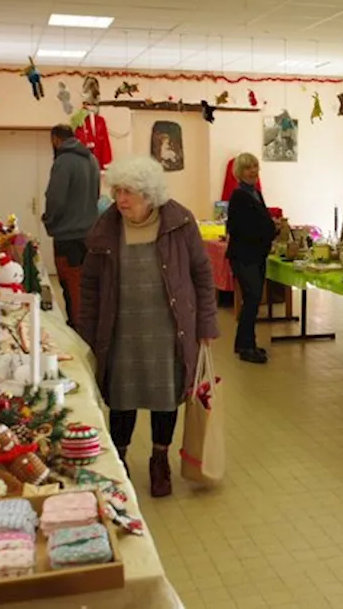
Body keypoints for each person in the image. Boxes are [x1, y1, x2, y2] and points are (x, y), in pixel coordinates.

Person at [78, 155, 217, 497]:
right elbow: (90, 285)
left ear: (149, 193)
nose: (120, 199)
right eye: (118, 190)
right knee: (121, 398)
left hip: (169, 328)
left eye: (129, 192)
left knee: (165, 398)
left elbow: (202, 274)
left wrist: (207, 325)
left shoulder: (179, 222)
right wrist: (86, 333)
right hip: (120, 329)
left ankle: (159, 460)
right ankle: (119, 461)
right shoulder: (105, 227)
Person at [42, 125, 101, 328]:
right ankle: (87, 327)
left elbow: (55, 199)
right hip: (89, 234)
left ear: (55, 139)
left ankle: (78, 331)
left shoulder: (64, 161)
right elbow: (96, 195)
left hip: (68, 237)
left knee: (71, 286)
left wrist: (48, 221)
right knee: (87, 287)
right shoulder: (92, 160)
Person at [226, 153, 275, 364]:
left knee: (253, 300)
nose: (253, 171)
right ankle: (247, 347)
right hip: (245, 256)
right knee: (252, 299)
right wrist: (271, 228)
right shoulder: (239, 196)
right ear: (239, 172)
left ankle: (244, 343)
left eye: (255, 167)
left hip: (255, 254)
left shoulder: (255, 192)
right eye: (248, 168)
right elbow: (243, 228)